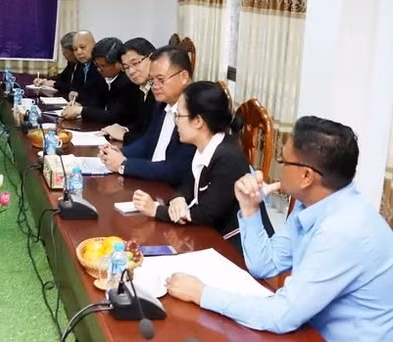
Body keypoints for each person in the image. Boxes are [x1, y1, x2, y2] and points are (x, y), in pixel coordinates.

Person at [166, 116, 393, 340]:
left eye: (283, 161)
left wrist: (201, 293)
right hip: (309, 329)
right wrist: (249, 209)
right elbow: (266, 264)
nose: (278, 167)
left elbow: (281, 316)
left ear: (306, 176)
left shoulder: (342, 231)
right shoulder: (311, 203)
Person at [130, 82, 274, 252]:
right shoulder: (206, 146)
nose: (176, 122)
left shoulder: (228, 157)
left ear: (198, 121)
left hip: (240, 250)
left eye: (179, 116)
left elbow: (206, 214)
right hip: (212, 237)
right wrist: (179, 198)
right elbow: (189, 182)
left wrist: (157, 210)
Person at [98, 45, 195, 186]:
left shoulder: (195, 111)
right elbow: (148, 142)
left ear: (183, 76)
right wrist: (120, 152)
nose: (155, 86)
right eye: (152, 80)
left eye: (160, 79)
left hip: (173, 192)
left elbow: (177, 169)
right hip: (151, 179)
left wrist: (124, 164)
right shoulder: (162, 104)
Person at [60, 37, 143, 126]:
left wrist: (81, 110)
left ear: (119, 64)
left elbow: (114, 116)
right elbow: (92, 100)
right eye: (97, 65)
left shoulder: (129, 82)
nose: (99, 69)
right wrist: (79, 105)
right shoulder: (101, 76)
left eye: (103, 66)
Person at [100, 37, 157, 141]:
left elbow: (152, 139)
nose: (131, 71)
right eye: (126, 67)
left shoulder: (160, 91)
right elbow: (141, 126)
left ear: (152, 57)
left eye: (135, 63)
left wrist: (125, 135)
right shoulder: (142, 88)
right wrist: (124, 129)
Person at [33, 31, 78, 96]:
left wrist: (54, 84)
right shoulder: (71, 62)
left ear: (73, 51)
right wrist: (45, 80)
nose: (63, 54)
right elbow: (62, 77)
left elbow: (74, 87)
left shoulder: (84, 65)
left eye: (65, 52)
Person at [68, 30, 106, 107]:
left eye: (82, 47)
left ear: (94, 46)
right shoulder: (80, 64)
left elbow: (100, 98)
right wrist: (73, 92)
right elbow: (75, 85)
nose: (79, 52)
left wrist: (82, 107)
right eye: (75, 49)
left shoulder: (102, 66)